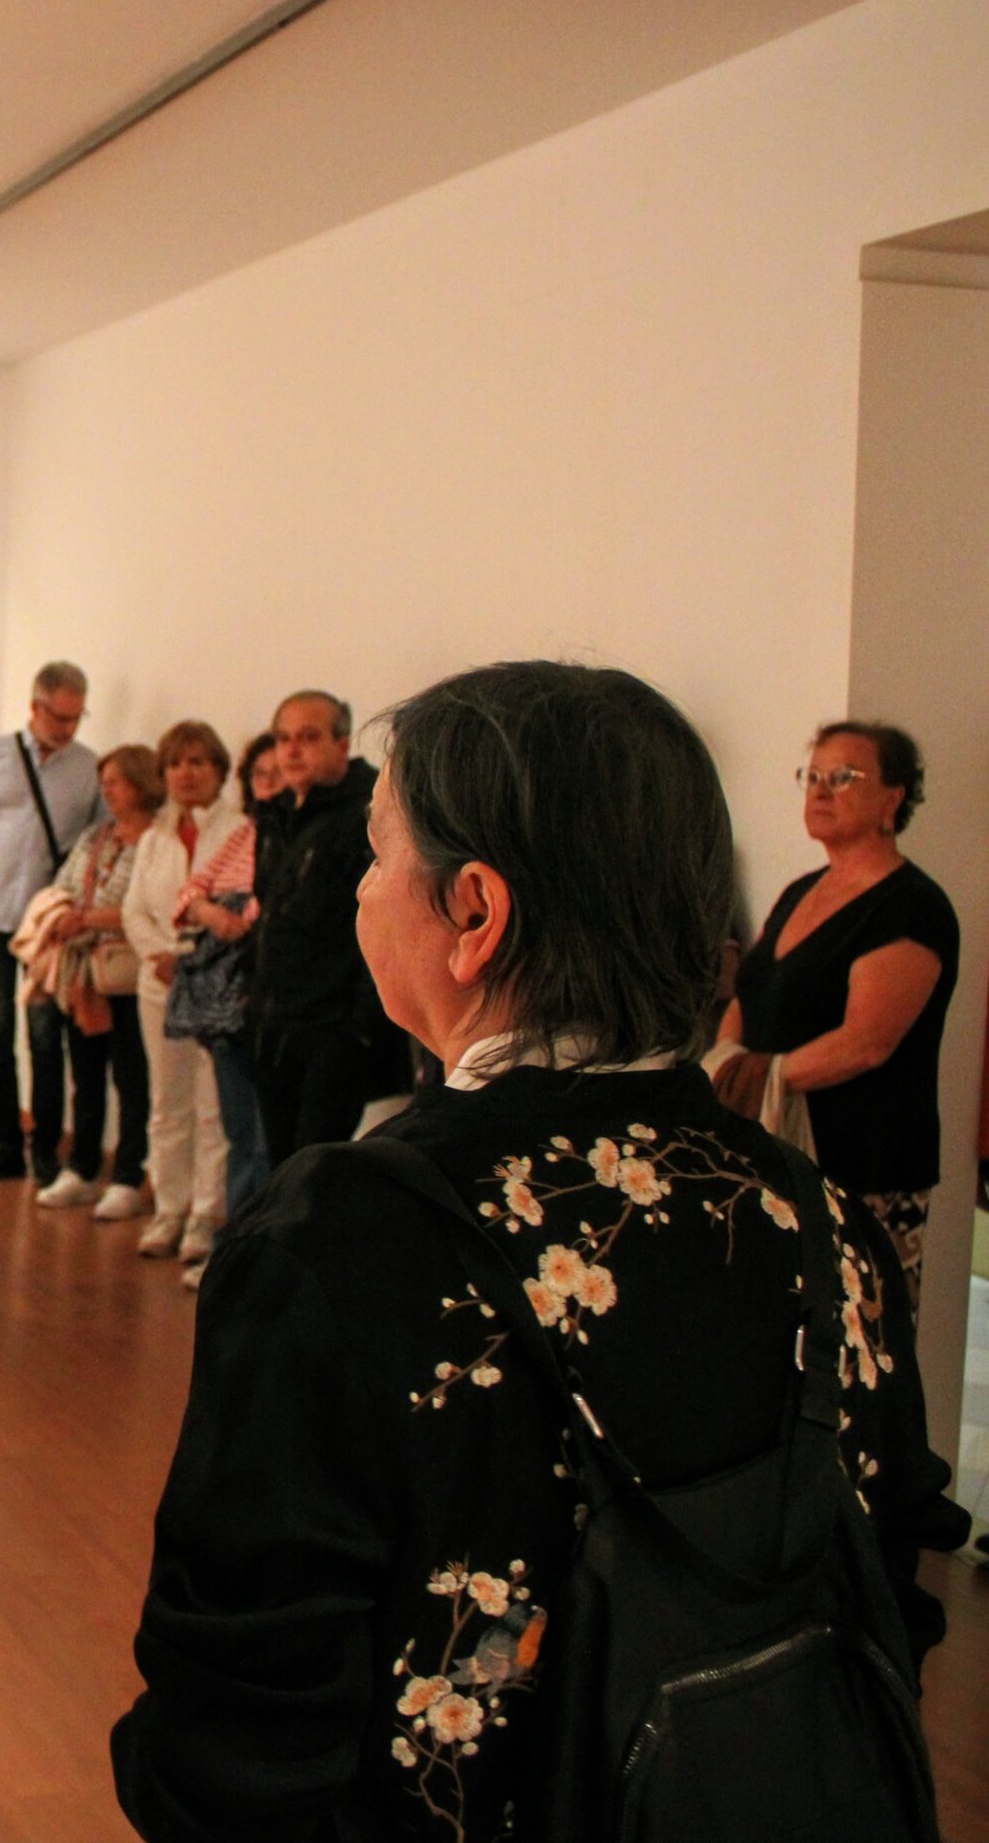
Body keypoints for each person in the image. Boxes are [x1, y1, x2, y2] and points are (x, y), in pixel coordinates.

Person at [114, 660, 964, 1841]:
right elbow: (891, 1585)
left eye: (375, 852)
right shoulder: (817, 1220)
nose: (360, 892)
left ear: (474, 913)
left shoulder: (344, 1238)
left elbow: (237, 1734)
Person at [712, 721, 960, 1302]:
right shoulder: (802, 890)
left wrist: (755, 1079)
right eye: (813, 777)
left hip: (864, 1168)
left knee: (861, 1349)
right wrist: (727, 1062)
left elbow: (865, 1042)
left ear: (892, 799)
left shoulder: (912, 906)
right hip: (773, 1159)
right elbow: (749, 995)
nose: (820, 792)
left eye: (843, 777)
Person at [0, 662, 101, 1183]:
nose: (67, 728)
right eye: (59, 717)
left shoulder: (88, 768)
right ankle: (5, 1144)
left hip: (46, 926)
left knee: (44, 1036)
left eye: (76, 718)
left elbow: (94, 843)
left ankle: (44, 1148)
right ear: (36, 708)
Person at [248, 689, 396, 1165]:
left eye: (307, 737)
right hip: (275, 1022)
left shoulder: (370, 815)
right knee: (279, 1162)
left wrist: (358, 1027)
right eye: (282, 738)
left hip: (334, 1028)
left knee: (313, 1167)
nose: (291, 750)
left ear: (341, 742)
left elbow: (382, 923)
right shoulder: (277, 816)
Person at [121, 721, 250, 1256]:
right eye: (176, 763)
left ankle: (204, 1213)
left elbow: (239, 903)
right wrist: (159, 954)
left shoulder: (241, 829)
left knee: (212, 1103)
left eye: (198, 761)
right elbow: (135, 909)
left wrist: (197, 959)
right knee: (166, 1100)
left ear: (218, 769)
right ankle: (168, 1208)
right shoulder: (153, 838)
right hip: (160, 983)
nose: (186, 772)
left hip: (217, 984)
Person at [28, 745, 160, 1219]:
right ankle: (83, 1168)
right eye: (104, 782)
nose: (107, 791)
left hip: (130, 975)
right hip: (85, 975)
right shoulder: (96, 837)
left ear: (142, 783)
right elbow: (61, 887)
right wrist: (69, 915)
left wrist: (88, 919)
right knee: (84, 1075)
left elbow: (150, 906)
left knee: (132, 1077)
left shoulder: (158, 839)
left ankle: (128, 1173)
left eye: (116, 782)